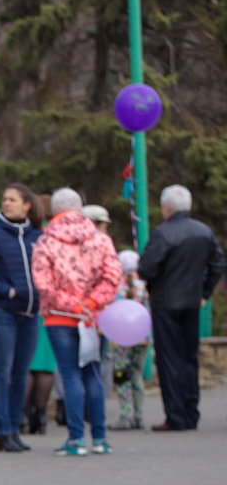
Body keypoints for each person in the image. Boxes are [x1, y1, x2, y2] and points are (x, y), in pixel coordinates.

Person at [31, 187, 121, 456]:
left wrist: (72, 305)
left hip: (61, 318)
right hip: (93, 318)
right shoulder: (101, 239)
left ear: (54, 210)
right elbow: (112, 277)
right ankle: (101, 438)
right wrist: (91, 303)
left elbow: (43, 284)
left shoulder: (46, 242)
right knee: (92, 373)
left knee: (69, 375)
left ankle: (76, 439)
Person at [137, 185, 226, 431]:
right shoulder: (203, 232)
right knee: (189, 358)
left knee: (169, 360)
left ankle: (175, 415)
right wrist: (204, 292)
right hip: (191, 302)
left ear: (166, 207)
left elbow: (146, 268)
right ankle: (191, 412)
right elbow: (218, 263)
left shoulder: (163, 233)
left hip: (166, 303)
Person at [0, 183, 43, 452]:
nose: (7, 203)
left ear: (27, 204)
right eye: (4, 199)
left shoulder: (38, 236)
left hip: (31, 315)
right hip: (3, 314)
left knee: (21, 373)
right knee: (2, 372)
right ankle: (3, 431)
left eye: (13, 199)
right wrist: (8, 291)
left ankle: (15, 428)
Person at [107, 250, 149, 430]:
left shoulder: (116, 287)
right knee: (137, 374)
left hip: (121, 338)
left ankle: (126, 414)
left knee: (122, 375)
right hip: (143, 336)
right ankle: (139, 415)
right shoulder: (144, 286)